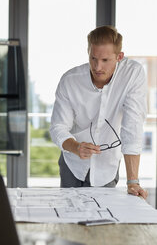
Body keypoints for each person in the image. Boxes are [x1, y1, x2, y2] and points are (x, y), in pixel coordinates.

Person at [50, 25, 148, 199]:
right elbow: (58, 127)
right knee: (69, 220)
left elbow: (132, 128)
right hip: (72, 162)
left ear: (119, 57)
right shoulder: (70, 81)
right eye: (93, 58)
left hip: (107, 166)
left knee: (104, 222)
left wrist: (133, 181)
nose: (97, 67)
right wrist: (75, 147)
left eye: (105, 60)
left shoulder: (133, 75)